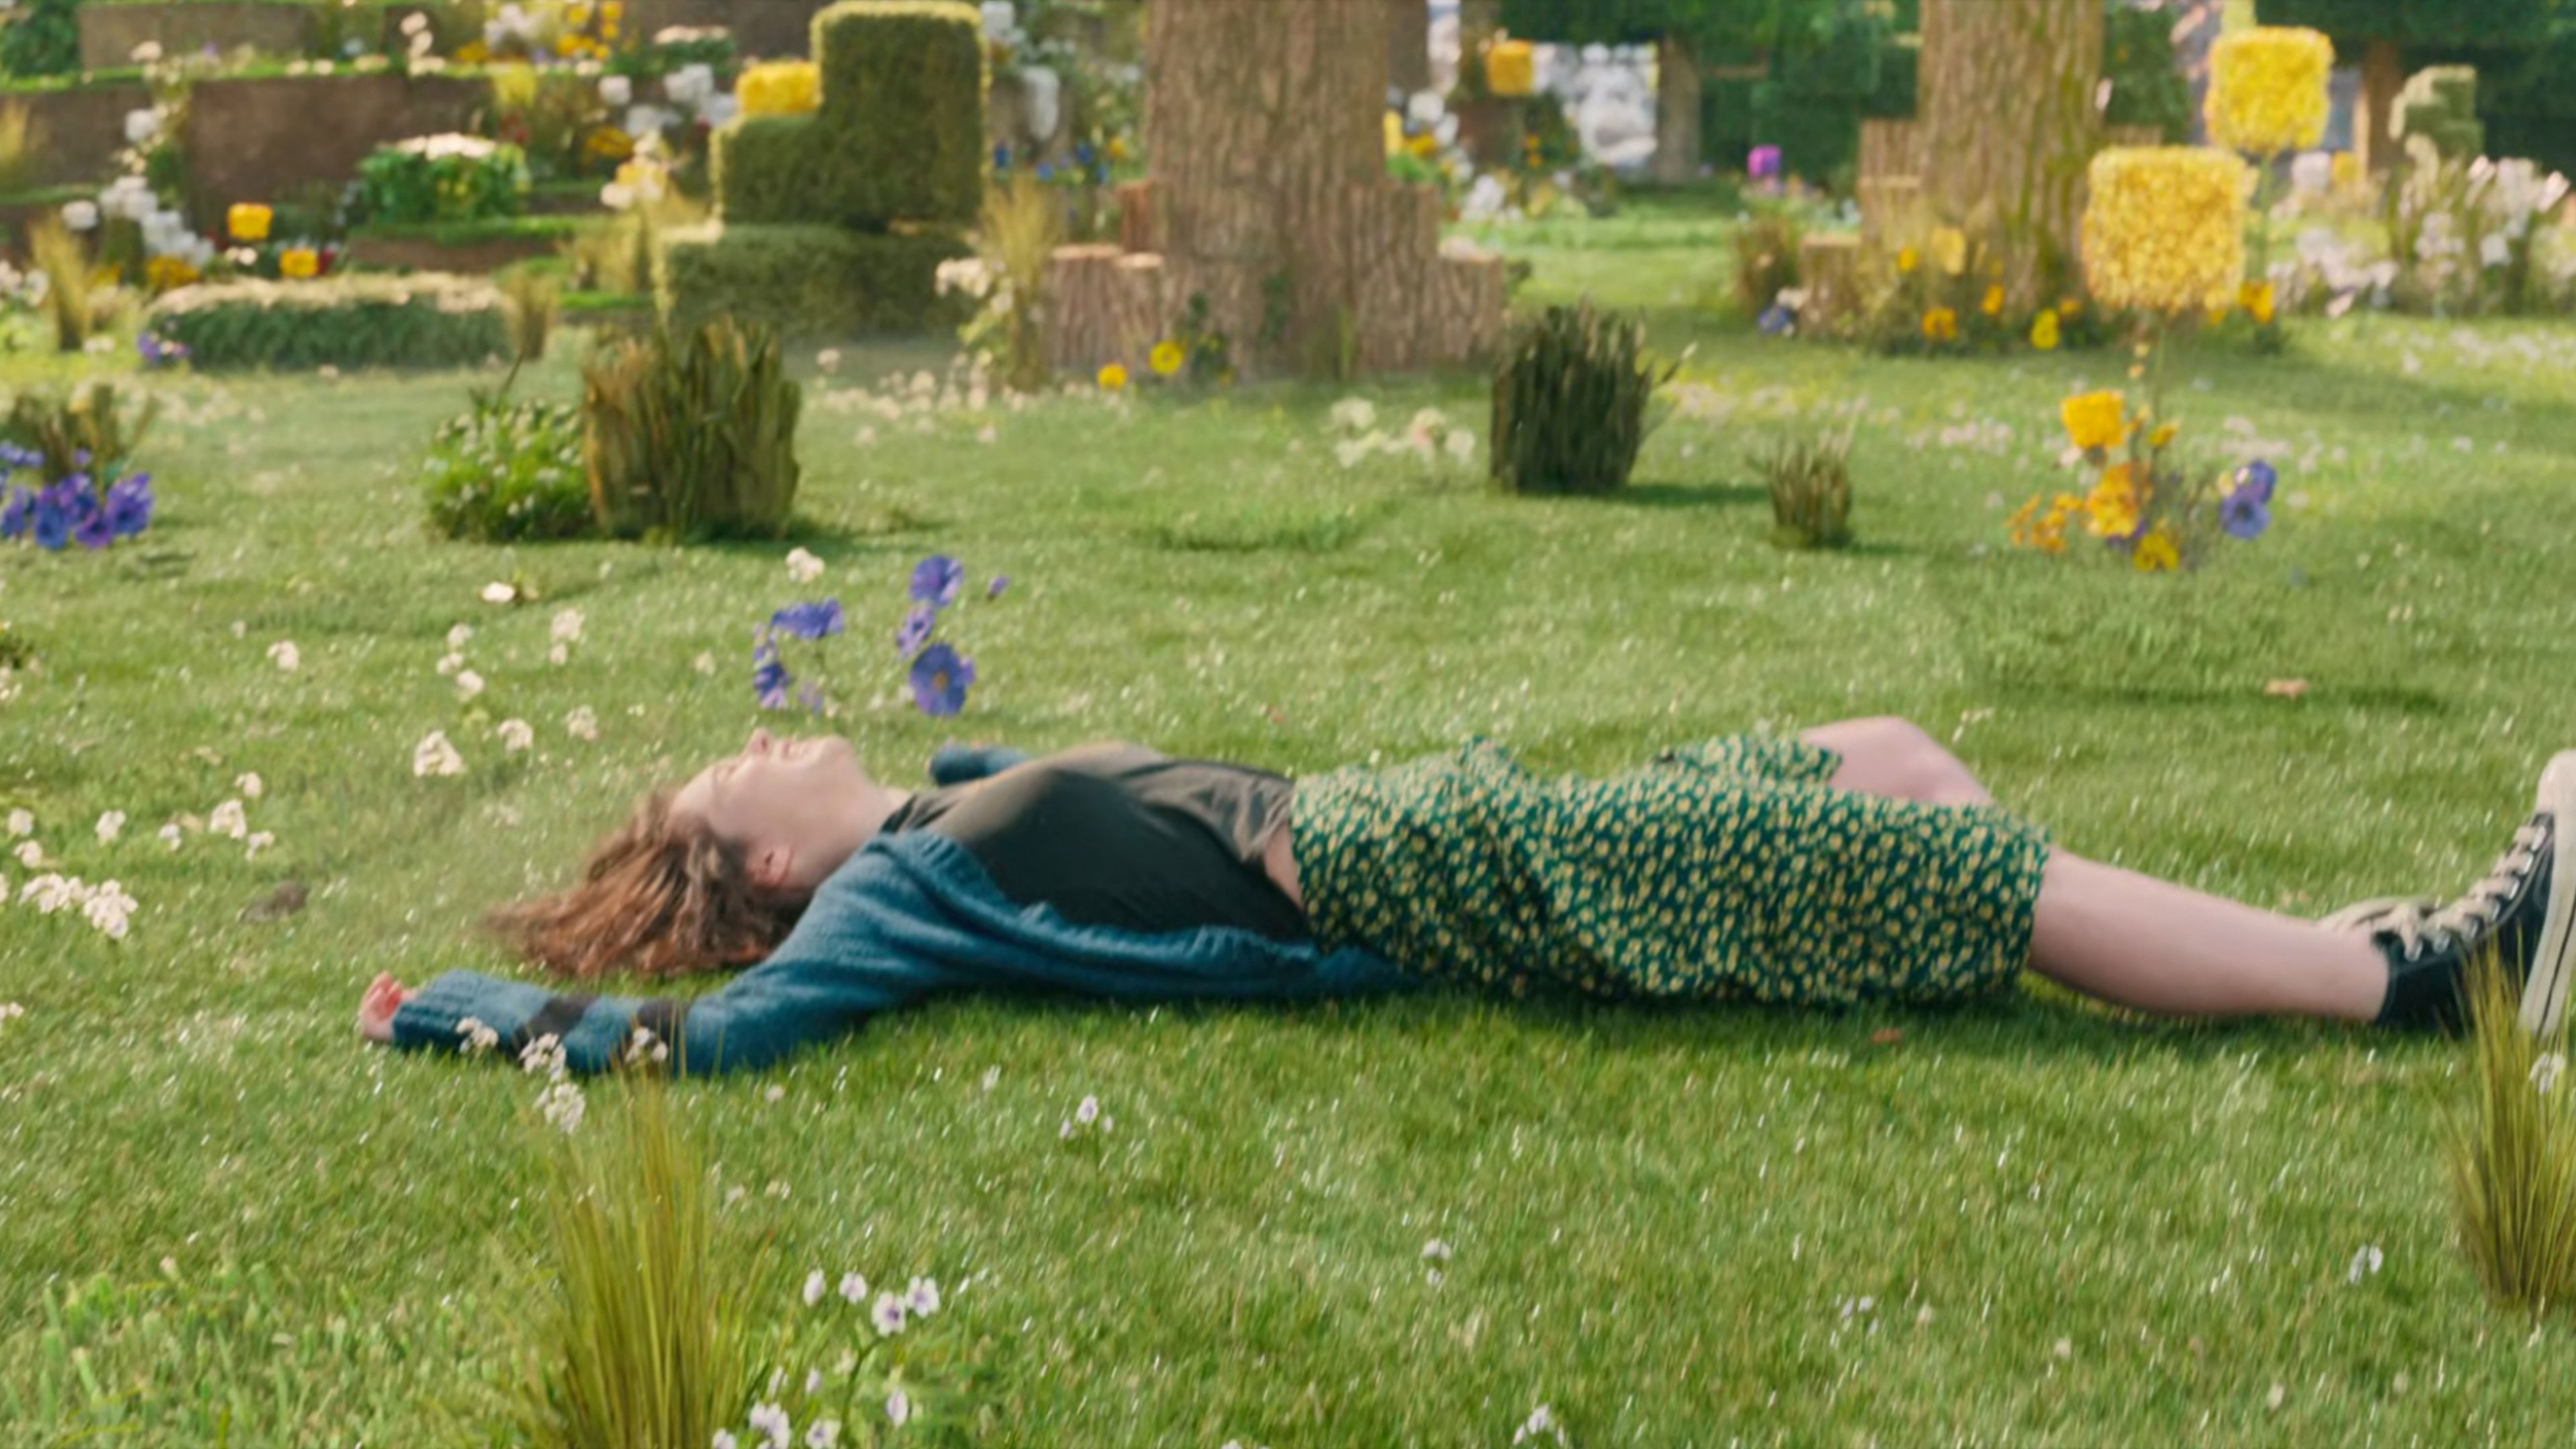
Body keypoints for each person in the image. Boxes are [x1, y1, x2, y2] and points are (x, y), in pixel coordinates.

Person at [358, 719, 2575, 1076]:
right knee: (1939, 860)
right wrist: (452, 1008)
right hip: (1430, 873)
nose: (769, 736)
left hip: (1446, 815)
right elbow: (708, 1039)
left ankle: (1929, 947)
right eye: (737, 769)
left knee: (1888, 764)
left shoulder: (942, 805)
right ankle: (2413, 981)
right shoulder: (886, 907)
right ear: (767, 859)